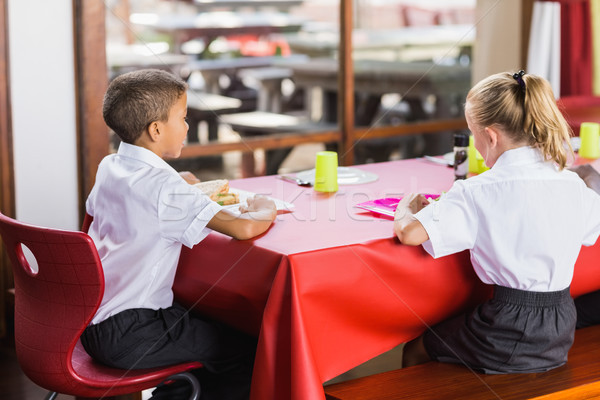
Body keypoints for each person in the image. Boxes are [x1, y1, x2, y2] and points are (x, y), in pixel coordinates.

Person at [81, 69, 277, 400]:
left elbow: (134, 202)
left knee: (214, 325)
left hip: (93, 322)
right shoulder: (164, 188)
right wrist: (265, 206)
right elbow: (244, 227)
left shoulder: (110, 166)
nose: (187, 127)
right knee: (253, 351)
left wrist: (179, 183)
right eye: (183, 118)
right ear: (156, 129)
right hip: (135, 333)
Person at [394, 70, 600, 374]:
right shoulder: (570, 184)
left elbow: (410, 234)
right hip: (561, 322)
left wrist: (406, 207)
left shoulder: (477, 190)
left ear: (490, 135)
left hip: (510, 327)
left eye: (474, 134)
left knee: (415, 349)